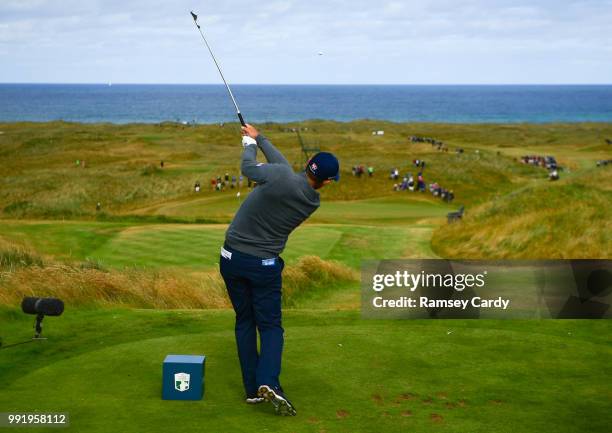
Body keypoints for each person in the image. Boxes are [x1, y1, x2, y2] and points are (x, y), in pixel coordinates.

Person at [220, 123, 339, 416]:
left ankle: (253, 391)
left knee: (245, 321)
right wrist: (259, 138)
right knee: (270, 326)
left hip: (231, 259)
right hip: (263, 266)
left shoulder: (281, 176)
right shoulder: (312, 201)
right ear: (326, 181)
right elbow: (283, 169)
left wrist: (249, 145)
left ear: (308, 166)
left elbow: (251, 169)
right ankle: (268, 382)